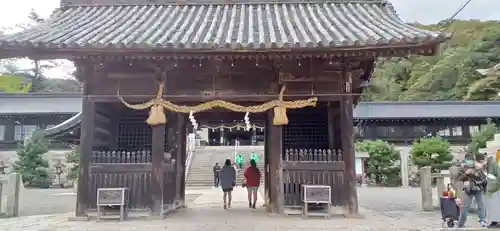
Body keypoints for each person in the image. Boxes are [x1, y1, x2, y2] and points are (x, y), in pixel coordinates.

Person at [458, 153, 487, 228]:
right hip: (468, 190)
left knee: (481, 205)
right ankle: (461, 223)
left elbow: (483, 178)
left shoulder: (478, 166)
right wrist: (466, 173)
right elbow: (460, 178)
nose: (469, 162)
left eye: (470, 160)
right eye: (468, 160)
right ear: (465, 160)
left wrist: (476, 173)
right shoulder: (462, 167)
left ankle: (482, 220)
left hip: (478, 188)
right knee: (465, 207)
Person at [485, 155, 500, 228]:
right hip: (490, 190)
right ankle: (493, 221)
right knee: (491, 206)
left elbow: (498, 176)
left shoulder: (493, 163)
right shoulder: (487, 165)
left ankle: (497, 222)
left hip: (495, 189)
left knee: (496, 206)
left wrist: (495, 185)